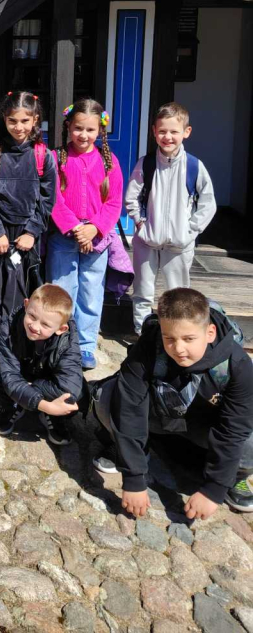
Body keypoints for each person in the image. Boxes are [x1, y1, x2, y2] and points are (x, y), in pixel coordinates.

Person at [92, 287, 253, 516]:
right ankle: (129, 450)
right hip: (160, 415)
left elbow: (234, 429)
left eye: (189, 339)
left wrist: (214, 489)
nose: (178, 349)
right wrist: (134, 477)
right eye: (169, 338)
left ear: (210, 333)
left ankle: (235, 476)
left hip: (204, 427)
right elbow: (129, 407)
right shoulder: (148, 346)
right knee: (107, 396)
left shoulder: (238, 365)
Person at [125, 102, 216, 336]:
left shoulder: (194, 166)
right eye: (162, 131)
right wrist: (141, 224)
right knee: (142, 293)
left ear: (186, 132)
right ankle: (143, 337)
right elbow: (131, 197)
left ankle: (176, 337)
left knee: (179, 296)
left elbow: (208, 203)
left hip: (179, 245)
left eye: (174, 131)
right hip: (147, 242)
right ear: (154, 132)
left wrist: (190, 230)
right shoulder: (146, 164)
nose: (168, 137)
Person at [46, 99, 123, 371]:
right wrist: (75, 228)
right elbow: (53, 198)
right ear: (68, 126)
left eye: (90, 130)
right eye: (78, 128)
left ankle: (86, 345)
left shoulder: (109, 161)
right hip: (63, 237)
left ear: (100, 130)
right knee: (62, 290)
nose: (84, 135)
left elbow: (114, 202)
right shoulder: (56, 158)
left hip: (97, 239)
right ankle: (60, 342)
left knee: (90, 292)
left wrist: (94, 228)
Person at [0, 91, 56, 343]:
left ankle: (20, 346)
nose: (18, 127)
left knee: (24, 292)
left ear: (35, 120)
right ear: (4, 119)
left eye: (24, 121)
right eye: (12, 121)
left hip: (27, 238)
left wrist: (32, 232)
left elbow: (47, 199)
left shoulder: (43, 156)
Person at [0, 283, 83, 445]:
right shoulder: (9, 325)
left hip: (46, 381)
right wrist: (45, 406)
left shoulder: (68, 340)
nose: (35, 326)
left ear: (61, 329)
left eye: (45, 325)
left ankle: (52, 416)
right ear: (26, 305)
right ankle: (12, 405)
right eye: (32, 316)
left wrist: (31, 387)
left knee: (75, 395)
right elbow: (10, 375)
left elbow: (69, 388)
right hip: (18, 374)